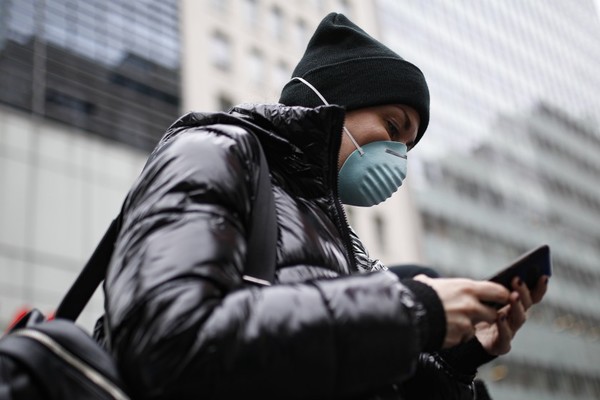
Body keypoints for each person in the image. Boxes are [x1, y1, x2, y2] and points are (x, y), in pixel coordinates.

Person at [95, 13, 548, 400]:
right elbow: (165, 345)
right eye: (393, 126)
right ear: (335, 101)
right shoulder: (214, 151)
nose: (398, 156)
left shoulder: (336, 236)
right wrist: (413, 310)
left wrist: (458, 362)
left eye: (407, 147)